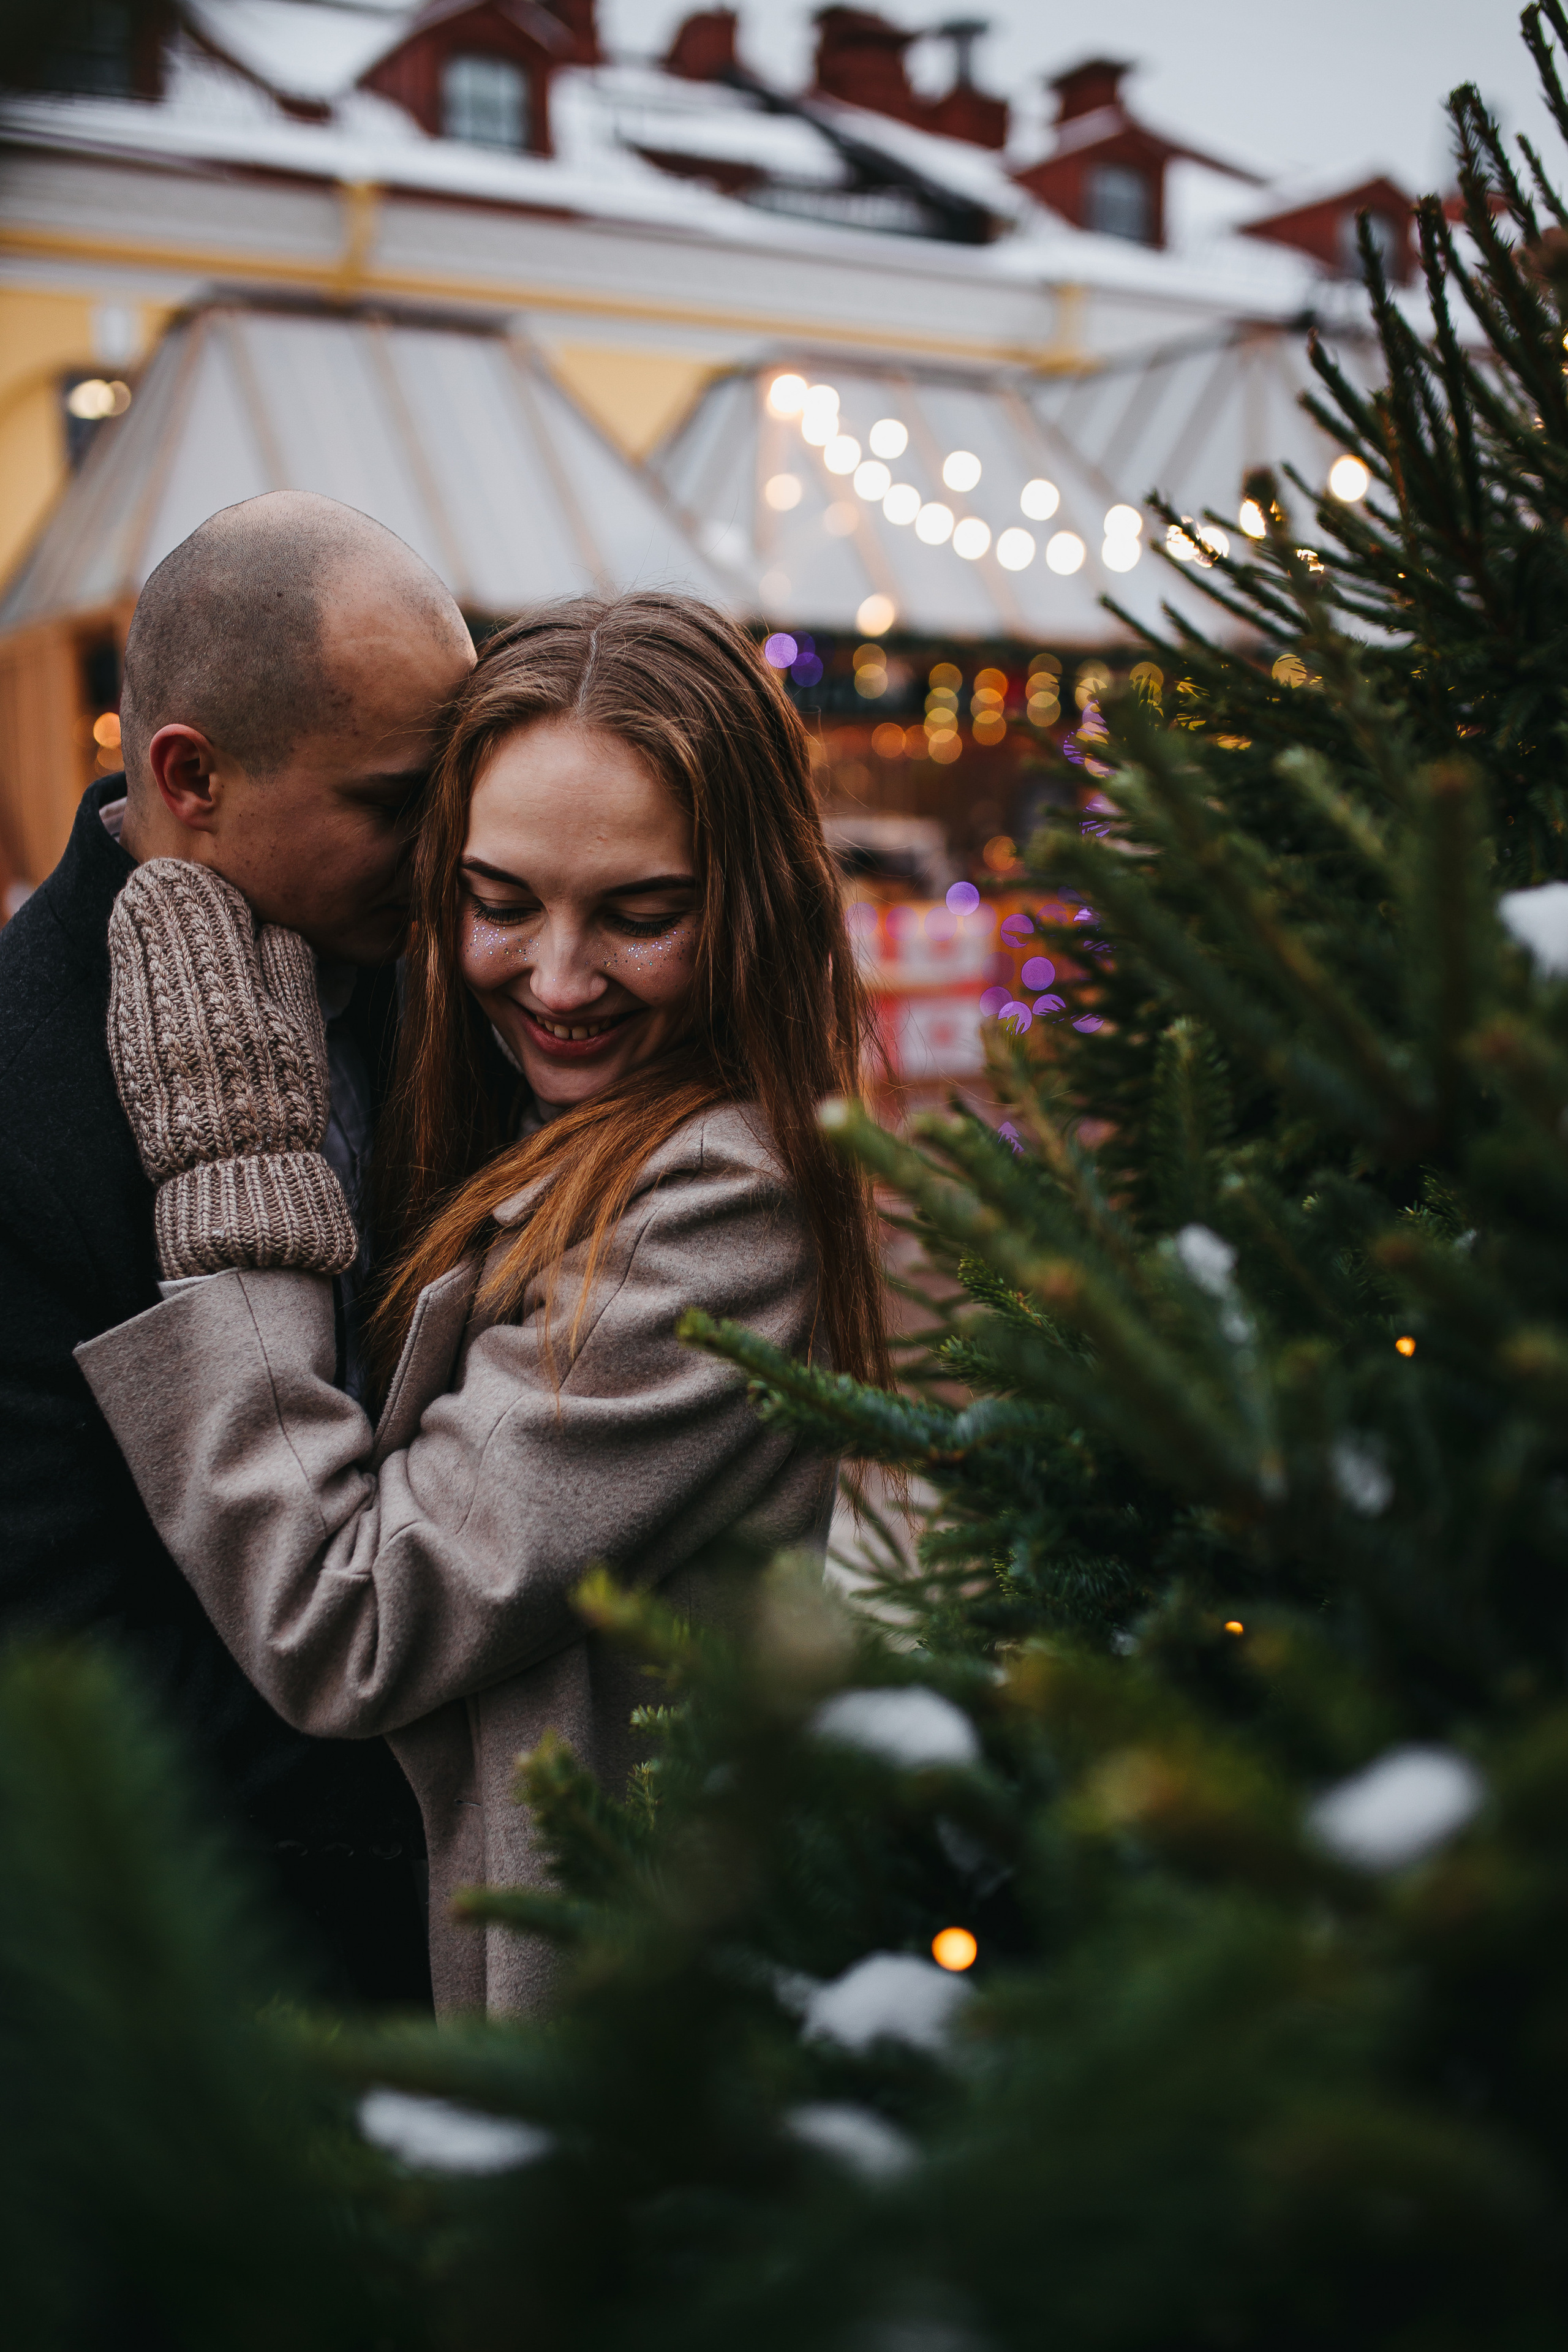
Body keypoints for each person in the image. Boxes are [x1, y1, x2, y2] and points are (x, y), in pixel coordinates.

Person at [75, 593, 888, 2015]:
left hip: (595, 2047)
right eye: (499, 902)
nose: (557, 980)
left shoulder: (720, 1206)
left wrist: (235, 1162)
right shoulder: (526, 1109)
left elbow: (353, 1621)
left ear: (749, 903)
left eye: (641, 916)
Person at [0, 490, 475, 2003]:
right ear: (190, 773)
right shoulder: (20, 1092)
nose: (447, 854)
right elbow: (69, 1655)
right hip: (208, 1978)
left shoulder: (448, 978)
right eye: (398, 803)